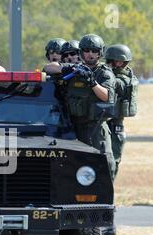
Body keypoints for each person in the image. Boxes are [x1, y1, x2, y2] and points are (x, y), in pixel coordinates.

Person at [43, 34, 116, 180]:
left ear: (100, 52)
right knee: (71, 166)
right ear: (82, 52)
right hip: (73, 128)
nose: (90, 54)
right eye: (87, 50)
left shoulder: (104, 72)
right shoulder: (74, 69)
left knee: (103, 165)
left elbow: (107, 96)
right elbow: (47, 67)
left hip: (95, 128)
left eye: (94, 50)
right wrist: (69, 68)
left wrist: (92, 82)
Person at [105, 44, 138, 179]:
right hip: (104, 124)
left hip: (115, 126)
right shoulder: (110, 74)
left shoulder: (124, 79)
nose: (119, 64)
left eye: (121, 62)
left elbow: (116, 84)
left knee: (112, 162)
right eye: (116, 61)